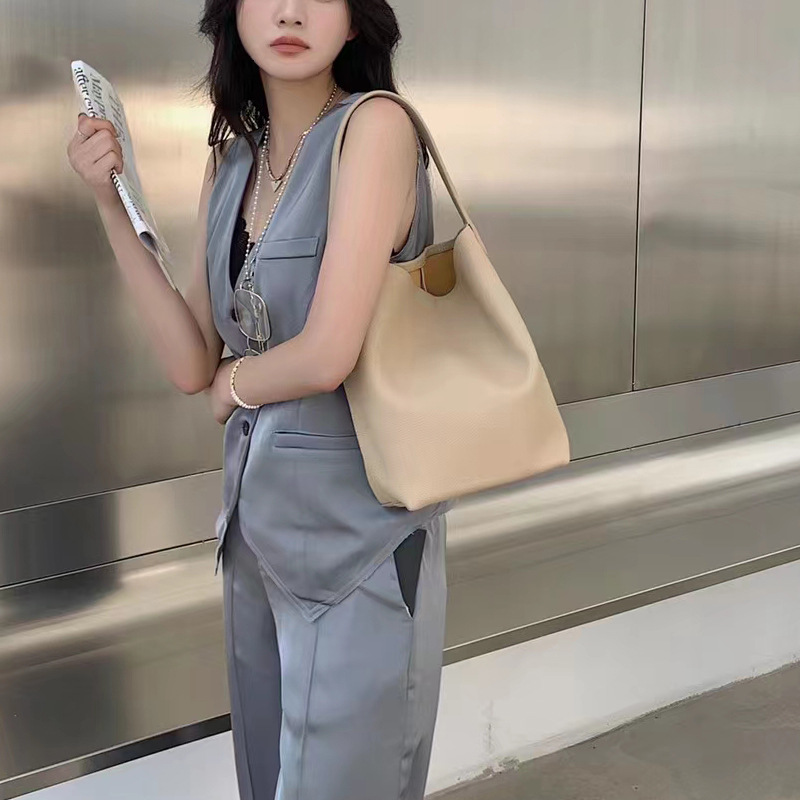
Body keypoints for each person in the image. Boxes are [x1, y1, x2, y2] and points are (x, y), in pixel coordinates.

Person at [67, 1, 450, 798]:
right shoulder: (234, 159)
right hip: (253, 535)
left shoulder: (374, 129)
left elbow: (329, 351)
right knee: (265, 781)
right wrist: (111, 200)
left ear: (355, 20)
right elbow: (190, 359)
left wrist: (234, 385)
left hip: (360, 543)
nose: (288, 10)